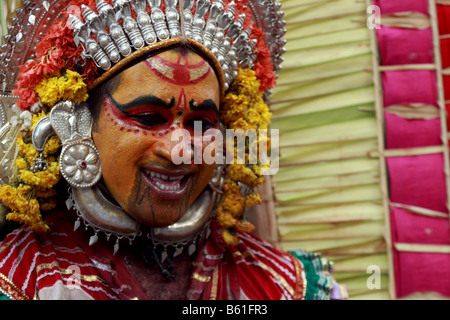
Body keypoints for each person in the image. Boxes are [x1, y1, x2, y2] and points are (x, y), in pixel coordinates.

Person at [0, 0, 347, 300]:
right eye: (150, 117)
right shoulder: (16, 280)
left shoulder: (287, 286)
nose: (180, 150)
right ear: (76, 123)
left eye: (202, 122)